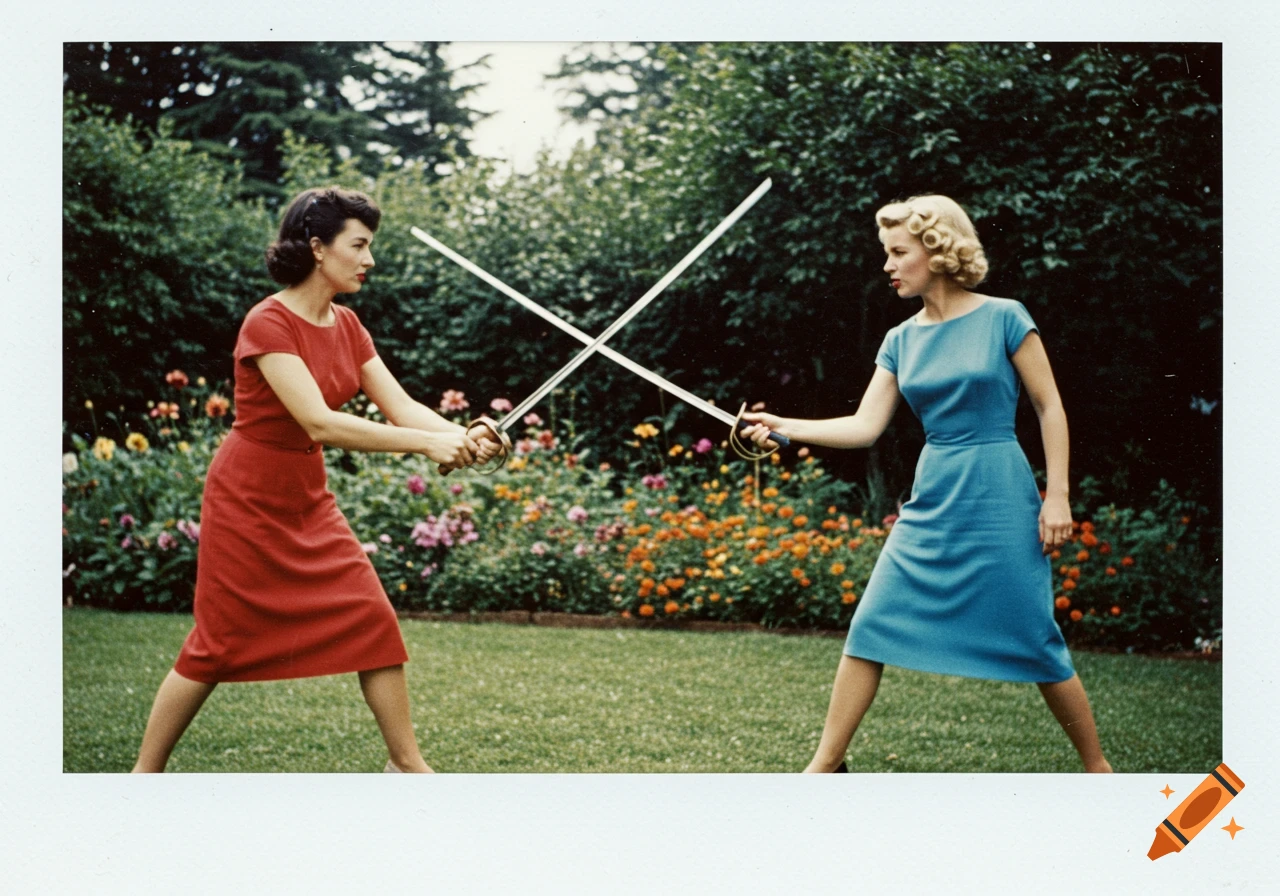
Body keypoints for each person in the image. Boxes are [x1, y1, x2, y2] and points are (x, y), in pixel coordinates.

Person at [132, 186, 504, 773]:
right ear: (316, 247)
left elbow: (402, 408)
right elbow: (319, 421)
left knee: (372, 619)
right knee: (216, 644)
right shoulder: (268, 322)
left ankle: (407, 767)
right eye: (358, 245)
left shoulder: (348, 324)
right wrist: (429, 443)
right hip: (247, 498)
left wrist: (465, 436)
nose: (369, 259)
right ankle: (143, 776)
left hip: (307, 496)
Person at [741, 194, 1112, 773]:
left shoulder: (1005, 317)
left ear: (937, 251)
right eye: (886, 254)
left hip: (999, 491)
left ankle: (1098, 770)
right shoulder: (900, 339)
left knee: (1037, 636)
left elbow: (1050, 407)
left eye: (898, 252)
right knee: (870, 624)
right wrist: (785, 426)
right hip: (934, 495)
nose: (887, 265)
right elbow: (865, 426)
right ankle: (824, 768)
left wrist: (1058, 494)